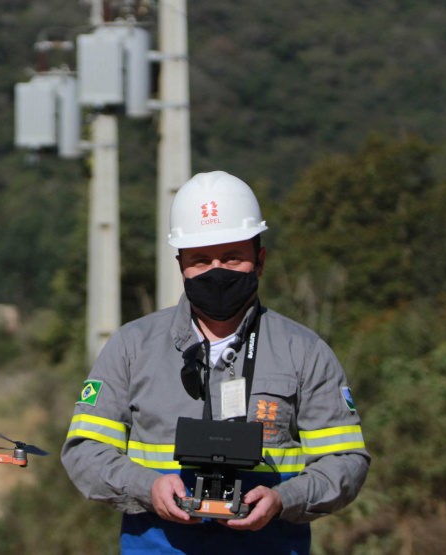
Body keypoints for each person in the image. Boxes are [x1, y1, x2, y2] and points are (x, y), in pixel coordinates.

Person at [61, 171, 370, 554]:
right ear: (180, 265)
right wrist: (148, 487)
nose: (217, 271)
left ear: (260, 261)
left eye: (232, 257)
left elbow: (345, 461)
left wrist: (283, 499)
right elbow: (85, 451)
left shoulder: (304, 351)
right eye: (201, 260)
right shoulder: (131, 347)